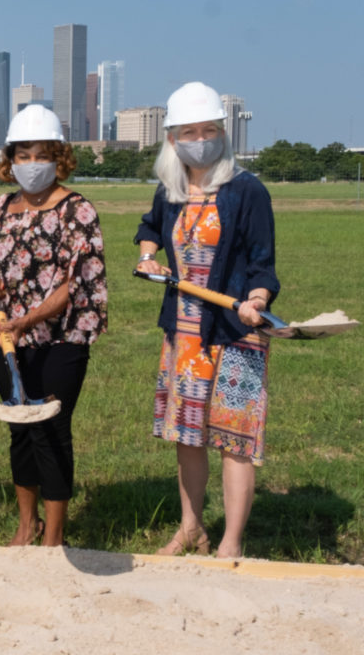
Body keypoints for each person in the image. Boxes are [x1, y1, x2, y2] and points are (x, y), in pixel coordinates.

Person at [135, 81, 278, 559]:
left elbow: (263, 261)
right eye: (190, 131)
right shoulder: (170, 191)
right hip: (186, 334)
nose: (201, 138)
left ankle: (230, 543)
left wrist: (255, 298)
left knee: (234, 440)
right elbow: (150, 227)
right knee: (188, 435)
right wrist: (149, 256)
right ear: (173, 139)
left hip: (236, 332)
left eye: (210, 129)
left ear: (224, 133)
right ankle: (191, 528)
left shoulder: (247, 190)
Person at [0, 105, 107, 548]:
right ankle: (25, 526)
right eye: (23, 155)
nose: (32, 165)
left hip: (60, 339)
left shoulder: (78, 210)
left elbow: (78, 284)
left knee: (51, 431)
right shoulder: (1, 206)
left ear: (60, 158)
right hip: (10, 339)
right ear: (9, 160)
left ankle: (53, 536)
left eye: (41, 155)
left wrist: (28, 318)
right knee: (19, 430)